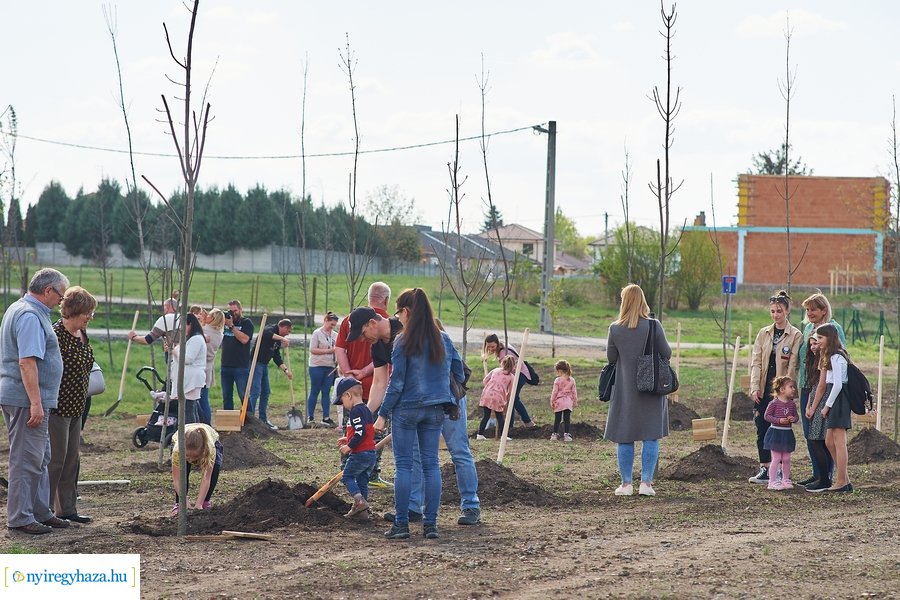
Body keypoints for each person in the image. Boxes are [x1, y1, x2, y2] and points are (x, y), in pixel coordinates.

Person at [358, 289, 462, 540]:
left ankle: (401, 525)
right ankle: (431, 525)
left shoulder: (402, 341)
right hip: (436, 409)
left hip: (407, 409)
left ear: (406, 312)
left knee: (403, 466)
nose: (398, 318)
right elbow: (458, 372)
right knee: (431, 465)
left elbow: (396, 382)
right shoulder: (444, 339)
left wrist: (382, 414)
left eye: (398, 313)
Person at [1, 268, 72, 534]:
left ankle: (41, 511)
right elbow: (27, 361)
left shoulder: (24, 310)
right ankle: (20, 517)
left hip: (28, 397)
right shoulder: (30, 316)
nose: (61, 303)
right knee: (25, 458)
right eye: (61, 297)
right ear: (48, 291)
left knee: (41, 456)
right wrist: (35, 402)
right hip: (25, 399)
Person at [604, 283, 670, 498]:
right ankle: (646, 484)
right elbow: (666, 353)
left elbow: (611, 358)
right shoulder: (653, 325)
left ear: (624, 302)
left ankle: (626, 484)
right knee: (650, 435)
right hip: (651, 389)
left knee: (625, 436)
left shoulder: (615, 328)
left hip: (625, 391)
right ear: (642, 301)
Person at [335, 281, 392, 487]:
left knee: (352, 427)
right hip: (377, 385)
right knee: (374, 430)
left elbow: (339, 349)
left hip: (352, 389)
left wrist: (349, 374)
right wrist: (362, 372)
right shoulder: (384, 322)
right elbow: (382, 364)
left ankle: (346, 470)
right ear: (386, 300)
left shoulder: (349, 319)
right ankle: (370, 474)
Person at [48, 286, 96, 525]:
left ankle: (67, 509)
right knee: (55, 460)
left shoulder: (83, 334)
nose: (90, 317)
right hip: (57, 408)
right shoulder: (55, 334)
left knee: (71, 460)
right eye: (88, 312)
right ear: (76, 310)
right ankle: (43, 510)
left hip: (78, 406)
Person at [748, 290, 802, 485]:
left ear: (787, 311)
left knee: (781, 429)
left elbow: (793, 365)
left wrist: (786, 392)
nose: (775, 315)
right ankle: (765, 467)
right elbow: (756, 362)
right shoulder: (764, 333)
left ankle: (780, 470)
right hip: (764, 387)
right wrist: (755, 387)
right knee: (762, 427)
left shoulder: (795, 335)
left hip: (781, 391)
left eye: (779, 311)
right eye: (772, 311)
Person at [795, 293, 845, 487]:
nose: (809, 313)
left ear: (824, 310)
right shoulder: (808, 328)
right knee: (809, 433)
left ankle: (826, 475)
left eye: (813, 309)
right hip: (805, 384)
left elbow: (839, 354)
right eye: (807, 310)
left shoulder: (834, 328)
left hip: (822, 385)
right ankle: (816, 473)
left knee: (821, 434)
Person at [816, 323, 853, 493]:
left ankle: (841, 482)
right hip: (835, 398)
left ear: (829, 338)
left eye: (821, 338)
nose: (818, 341)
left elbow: (838, 385)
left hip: (838, 400)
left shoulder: (836, 357)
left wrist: (826, 406)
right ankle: (844, 478)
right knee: (829, 441)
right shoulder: (831, 356)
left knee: (839, 442)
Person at [333, 377, 377, 518]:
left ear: (348, 395)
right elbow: (366, 431)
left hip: (360, 454)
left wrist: (349, 446)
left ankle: (359, 502)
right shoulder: (366, 410)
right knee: (362, 480)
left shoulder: (355, 412)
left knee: (347, 477)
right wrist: (348, 437)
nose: (343, 405)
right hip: (370, 454)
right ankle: (362, 513)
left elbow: (360, 432)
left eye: (342, 401)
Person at [482, 334, 537, 430]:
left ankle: (524, 422)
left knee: (512, 399)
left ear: (497, 343)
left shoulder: (504, 353)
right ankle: (510, 425)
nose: (490, 349)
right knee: (511, 399)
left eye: (493, 346)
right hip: (513, 374)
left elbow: (507, 370)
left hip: (519, 373)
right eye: (488, 347)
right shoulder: (503, 346)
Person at [247, 319, 293, 430]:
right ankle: (250, 419)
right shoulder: (270, 329)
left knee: (266, 392)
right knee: (255, 391)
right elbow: (265, 333)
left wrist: (286, 370)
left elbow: (276, 356)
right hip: (255, 363)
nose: (288, 333)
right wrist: (282, 338)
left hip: (264, 365)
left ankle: (263, 419)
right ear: (284, 327)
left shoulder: (277, 341)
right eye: (288, 331)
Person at [170, 423, 223, 515]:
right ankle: (179, 503)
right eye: (188, 456)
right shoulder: (177, 450)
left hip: (211, 439)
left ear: (202, 450)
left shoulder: (210, 449)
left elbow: (206, 478)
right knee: (183, 473)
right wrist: (185, 501)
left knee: (214, 470)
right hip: (181, 440)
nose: (191, 459)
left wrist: (198, 504)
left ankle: (205, 502)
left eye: (194, 456)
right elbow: (177, 479)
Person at [803, 335, 833, 492]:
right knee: (818, 440)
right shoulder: (814, 360)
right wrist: (809, 404)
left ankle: (825, 480)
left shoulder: (825, 359)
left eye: (816, 342)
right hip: (816, 399)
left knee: (816, 440)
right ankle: (823, 477)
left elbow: (821, 386)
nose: (813, 346)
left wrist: (814, 407)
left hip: (823, 400)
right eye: (811, 344)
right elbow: (813, 386)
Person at [167, 313, 207, 425]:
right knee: (190, 409)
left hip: (191, 380)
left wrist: (174, 350)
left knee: (188, 410)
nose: (181, 329)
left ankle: (191, 435)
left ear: (190, 324)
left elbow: (188, 358)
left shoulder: (197, 339)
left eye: (184, 325)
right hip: (187, 379)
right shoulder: (189, 339)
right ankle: (194, 434)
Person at [763, 376, 800, 491]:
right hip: (776, 433)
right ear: (782, 390)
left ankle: (785, 479)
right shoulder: (773, 403)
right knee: (776, 458)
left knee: (787, 458)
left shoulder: (792, 404)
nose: (793, 389)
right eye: (791, 387)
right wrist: (778, 420)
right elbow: (767, 416)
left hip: (787, 434)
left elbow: (796, 417)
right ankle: (772, 481)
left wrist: (793, 419)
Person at [219, 300, 254, 411]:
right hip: (226, 364)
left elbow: (244, 339)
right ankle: (228, 421)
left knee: (244, 395)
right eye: (230, 311)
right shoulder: (223, 323)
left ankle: (250, 420)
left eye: (235, 310)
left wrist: (232, 326)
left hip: (240, 366)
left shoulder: (246, 323)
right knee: (226, 396)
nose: (233, 313)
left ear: (240, 310)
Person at [308, 312, 339, 426]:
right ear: (325, 321)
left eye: (334, 325)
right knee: (314, 390)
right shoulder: (317, 333)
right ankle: (310, 416)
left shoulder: (335, 335)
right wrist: (328, 351)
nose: (332, 327)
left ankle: (326, 417)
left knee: (326, 392)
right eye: (331, 324)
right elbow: (313, 349)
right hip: (317, 366)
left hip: (329, 366)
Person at [476, 355, 516, 441]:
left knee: (486, 416)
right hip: (498, 397)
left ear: (502, 363)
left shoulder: (495, 370)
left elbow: (485, 380)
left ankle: (480, 434)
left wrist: (489, 387)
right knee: (500, 417)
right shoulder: (511, 377)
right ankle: (503, 435)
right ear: (513, 366)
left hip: (487, 394)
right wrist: (507, 401)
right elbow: (510, 391)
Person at [199, 308, 225, 425]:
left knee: (200, 400)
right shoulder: (219, 334)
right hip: (208, 369)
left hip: (200, 368)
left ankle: (204, 423)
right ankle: (207, 423)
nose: (207, 317)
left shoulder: (204, 331)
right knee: (204, 398)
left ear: (213, 318)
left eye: (209, 315)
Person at [549, 359, 578, 442]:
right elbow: (574, 392)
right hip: (568, 402)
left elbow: (555, 391)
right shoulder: (572, 380)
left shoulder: (557, 380)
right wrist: (575, 401)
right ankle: (566, 435)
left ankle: (554, 434)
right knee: (567, 419)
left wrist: (552, 400)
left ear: (560, 370)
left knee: (557, 418)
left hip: (559, 402)